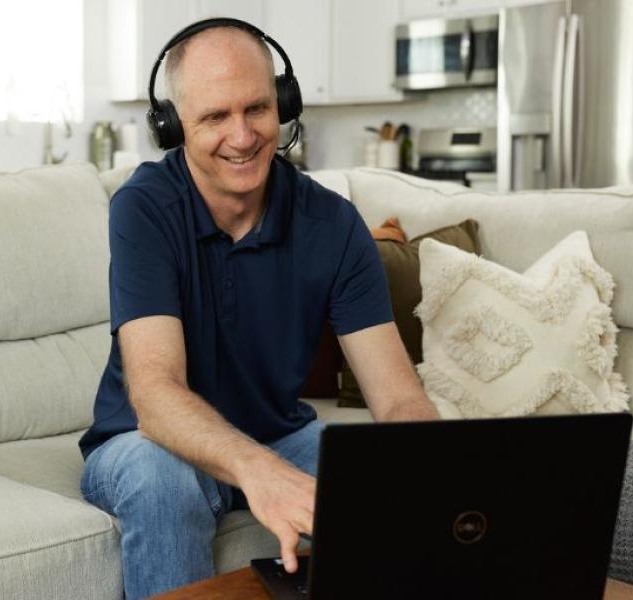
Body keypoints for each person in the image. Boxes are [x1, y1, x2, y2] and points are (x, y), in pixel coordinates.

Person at [78, 19, 438, 599]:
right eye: (215, 117)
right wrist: (261, 474)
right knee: (158, 476)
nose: (243, 136)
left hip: (278, 434)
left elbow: (397, 398)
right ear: (172, 126)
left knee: (386, 482)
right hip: (144, 442)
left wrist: (447, 475)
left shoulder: (334, 224)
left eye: (257, 108)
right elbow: (155, 393)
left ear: (283, 104)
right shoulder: (143, 208)